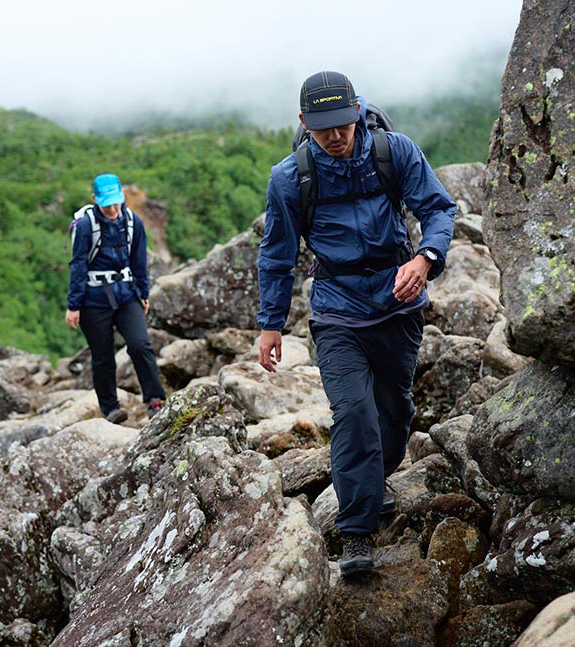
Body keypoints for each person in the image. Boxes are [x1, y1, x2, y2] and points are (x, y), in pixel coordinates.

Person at [257, 72, 455, 576]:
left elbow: (437, 209)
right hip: (337, 311)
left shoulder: (394, 151)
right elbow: (276, 255)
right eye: (323, 127)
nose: (335, 135)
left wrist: (425, 258)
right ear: (304, 122)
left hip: (398, 303)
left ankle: (375, 478)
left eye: (343, 124)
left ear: (358, 112)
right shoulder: (291, 178)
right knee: (353, 414)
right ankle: (356, 534)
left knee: (394, 410)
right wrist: (271, 323)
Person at [65, 173, 166, 423]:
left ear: (122, 197)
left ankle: (155, 401)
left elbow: (139, 261)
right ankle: (111, 408)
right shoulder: (85, 226)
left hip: (126, 294)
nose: (112, 209)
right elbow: (78, 265)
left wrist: (143, 293)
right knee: (103, 356)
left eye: (116, 203)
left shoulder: (133, 222)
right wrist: (73, 305)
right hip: (93, 299)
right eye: (106, 204)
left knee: (140, 345)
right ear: (95, 199)